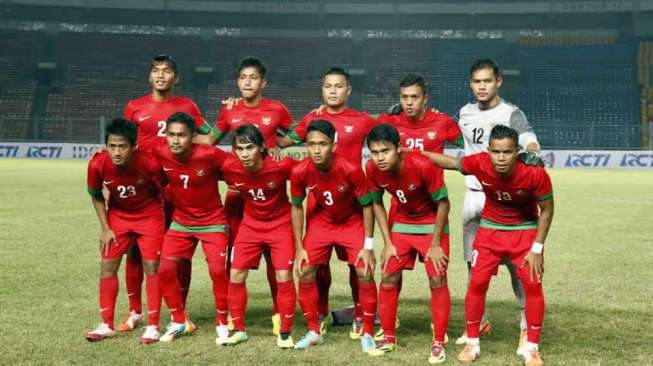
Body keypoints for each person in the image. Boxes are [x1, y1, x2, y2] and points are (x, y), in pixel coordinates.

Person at [421, 125, 553, 366]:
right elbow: (450, 163)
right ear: (488, 151)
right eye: (495, 152)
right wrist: (417, 153)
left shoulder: (535, 173)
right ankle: (473, 343)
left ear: (517, 152)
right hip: (489, 231)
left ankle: (531, 347)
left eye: (507, 152)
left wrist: (537, 249)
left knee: (533, 286)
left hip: (524, 231)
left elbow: (547, 210)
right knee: (477, 283)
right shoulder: (480, 163)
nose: (501, 158)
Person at [118, 54, 213, 332]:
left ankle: (178, 313)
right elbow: (124, 144)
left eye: (167, 71)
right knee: (134, 251)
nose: (161, 75)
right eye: (156, 71)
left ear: (176, 78)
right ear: (149, 76)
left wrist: (231, 112)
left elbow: (208, 136)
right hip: (142, 189)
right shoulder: (134, 107)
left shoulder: (186, 106)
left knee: (178, 252)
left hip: (175, 188)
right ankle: (135, 311)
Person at [280, 67, 377, 337]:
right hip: (320, 204)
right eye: (327, 86)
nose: (332, 90)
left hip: (352, 202)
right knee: (314, 265)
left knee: (357, 265)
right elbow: (284, 140)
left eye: (338, 86)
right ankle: (320, 311)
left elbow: (391, 132)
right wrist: (252, 118)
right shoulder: (312, 118)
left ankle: (361, 313)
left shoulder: (362, 120)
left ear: (348, 90)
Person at [453, 58, 543, 349]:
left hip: (507, 199)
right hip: (475, 195)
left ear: (498, 82)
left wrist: (531, 151)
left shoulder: (511, 113)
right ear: (471, 84)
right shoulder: (464, 113)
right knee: (473, 264)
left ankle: (524, 326)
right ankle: (478, 323)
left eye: (487, 81)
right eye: (477, 81)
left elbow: (528, 138)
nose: (482, 86)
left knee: (518, 268)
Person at [211, 57, 295, 336]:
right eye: (243, 78)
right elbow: (210, 140)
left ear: (263, 83)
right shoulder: (229, 110)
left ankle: (277, 312)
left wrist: (278, 146)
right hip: (238, 197)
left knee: (277, 259)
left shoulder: (277, 109)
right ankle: (232, 318)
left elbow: (295, 134)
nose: (248, 83)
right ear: (238, 81)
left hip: (270, 190)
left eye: (253, 78)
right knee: (233, 260)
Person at [365, 124, 451, 364]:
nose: (379, 158)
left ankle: (438, 342)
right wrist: (388, 242)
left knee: (437, 278)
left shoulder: (423, 165)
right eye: (374, 152)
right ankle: (389, 338)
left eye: (385, 151)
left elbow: (444, 204)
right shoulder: (371, 168)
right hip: (402, 222)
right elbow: (377, 203)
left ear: (399, 148)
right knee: (389, 276)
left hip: (432, 223)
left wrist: (435, 244)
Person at [289, 120, 377, 352]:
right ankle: (313, 331)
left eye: (322, 144)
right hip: (322, 222)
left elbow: (368, 206)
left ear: (334, 145)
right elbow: (296, 207)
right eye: (311, 144)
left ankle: (367, 330)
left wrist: (368, 246)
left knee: (363, 270)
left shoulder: (351, 169)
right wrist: (299, 246)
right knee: (305, 269)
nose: (316, 150)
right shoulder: (299, 171)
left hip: (351, 221)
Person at [84, 118, 164, 344]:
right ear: (106, 145)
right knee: (108, 265)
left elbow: (164, 188)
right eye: (112, 146)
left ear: (134, 146)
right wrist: (105, 228)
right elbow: (96, 195)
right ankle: (106, 324)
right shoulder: (97, 164)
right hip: (118, 216)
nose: (117, 152)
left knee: (151, 266)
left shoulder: (149, 163)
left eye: (122, 146)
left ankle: (153, 326)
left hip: (149, 215)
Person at [153, 112, 230, 343]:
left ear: (194, 137)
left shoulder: (210, 154)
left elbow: (239, 167)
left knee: (217, 271)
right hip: (181, 222)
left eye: (182, 136)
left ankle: (222, 321)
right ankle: (179, 320)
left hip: (212, 221)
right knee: (164, 270)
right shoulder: (160, 152)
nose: (176, 140)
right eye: (171, 135)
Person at [218, 124, 297, 348]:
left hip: (280, 225)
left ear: (262, 147)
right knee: (235, 275)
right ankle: (238, 329)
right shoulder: (230, 167)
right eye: (240, 149)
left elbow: (307, 173)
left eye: (250, 148)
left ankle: (285, 332)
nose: (244, 154)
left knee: (283, 276)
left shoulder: (281, 165)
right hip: (250, 225)